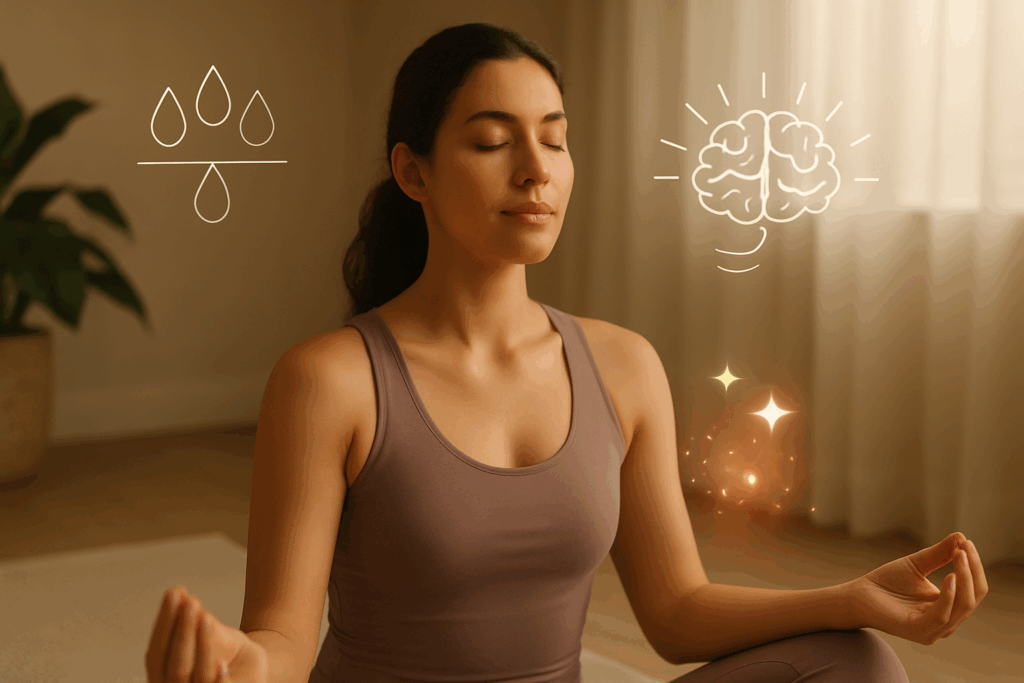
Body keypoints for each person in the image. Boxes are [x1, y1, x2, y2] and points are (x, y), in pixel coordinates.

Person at [144, 22, 988, 683]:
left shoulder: (623, 366)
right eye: (491, 140)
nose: (535, 169)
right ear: (414, 172)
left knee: (853, 662)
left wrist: (851, 598)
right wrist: (238, 664)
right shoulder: (329, 379)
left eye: (554, 138)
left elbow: (676, 611)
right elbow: (283, 640)